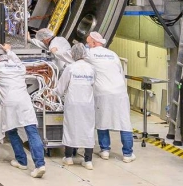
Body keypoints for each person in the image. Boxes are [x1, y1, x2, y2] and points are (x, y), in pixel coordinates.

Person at [0, 43, 45, 178]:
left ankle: (22, 161)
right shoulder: (20, 67)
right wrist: (9, 50)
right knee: (32, 131)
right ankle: (40, 164)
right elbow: (16, 60)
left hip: (10, 103)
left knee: (12, 130)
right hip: (24, 102)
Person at [85, 31, 134, 162]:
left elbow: (73, 59)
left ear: (93, 43)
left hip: (102, 92)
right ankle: (128, 154)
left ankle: (105, 150)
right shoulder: (113, 54)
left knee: (102, 120)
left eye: (88, 43)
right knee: (124, 123)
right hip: (120, 91)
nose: (87, 45)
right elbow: (120, 72)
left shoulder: (89, 53)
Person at [56, 43, 96, 169]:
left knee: (70, 128)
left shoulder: (70, 68)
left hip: (73, 103)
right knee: (88, 129)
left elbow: (61, 88)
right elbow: (93, 84)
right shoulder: (91, 68)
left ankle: (68, 157)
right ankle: (88, 160)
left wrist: (54, 93)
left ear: (72, 54)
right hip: (87, 103)